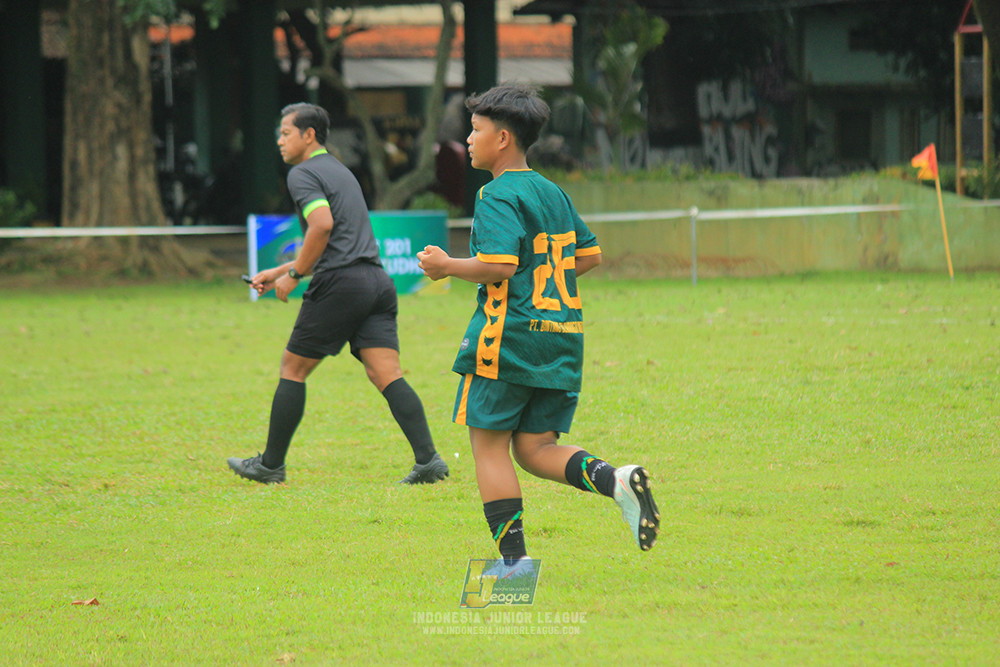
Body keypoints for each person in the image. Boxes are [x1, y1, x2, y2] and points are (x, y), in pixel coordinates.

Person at [416, 85, 659, 569]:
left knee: (488, 449)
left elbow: (500, 264)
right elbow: (588, 255)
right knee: (534, 448)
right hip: (561, 339)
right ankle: (616, 480)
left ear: (502, 138)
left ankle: (513, 565)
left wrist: (446, 265)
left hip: (506, 341)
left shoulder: (495, 194)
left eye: (476, 130)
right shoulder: (552, 191)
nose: (468, 138)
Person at [228, 102, 449, 486]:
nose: (279, 141)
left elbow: (322, 226)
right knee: (386, 373)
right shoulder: (340, 171)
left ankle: (269, 465)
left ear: (308, 135)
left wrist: (294, 274)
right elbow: (338, 239)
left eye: (285, 133)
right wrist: (279, 270)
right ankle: (429, 461)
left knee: (292, 368)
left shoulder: (302, 173)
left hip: (342, 284)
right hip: (376, 282)